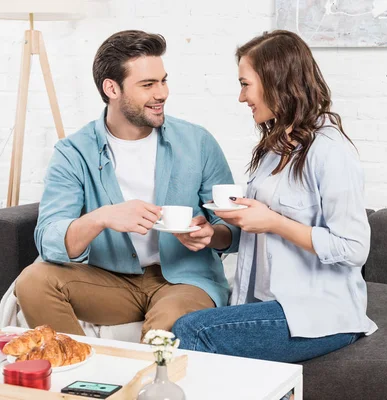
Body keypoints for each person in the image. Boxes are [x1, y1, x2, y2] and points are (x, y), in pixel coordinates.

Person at [15, 30, 240, 339]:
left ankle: (143, 382)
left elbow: (234, 229)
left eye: (163, 80)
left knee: (163, 332)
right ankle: (82, 370)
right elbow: (49, 239)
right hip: (109, 281)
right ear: (112, 88)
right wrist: (102, 217)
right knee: (32, 281)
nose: (161, 93)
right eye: (148, 85)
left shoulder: (197, 142)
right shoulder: (74, 152)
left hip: (184, 281)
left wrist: (210, 234)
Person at [172, 30, 378, 363]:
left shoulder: (329, 151)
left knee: (193, 330)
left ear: (276, 81)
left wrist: (274, 222)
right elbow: (256, 235)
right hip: (268, 305)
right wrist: (214, 236)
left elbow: (354, 248)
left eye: (245, 84)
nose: (241, 98)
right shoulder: (274, 149)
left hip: (320, 312)